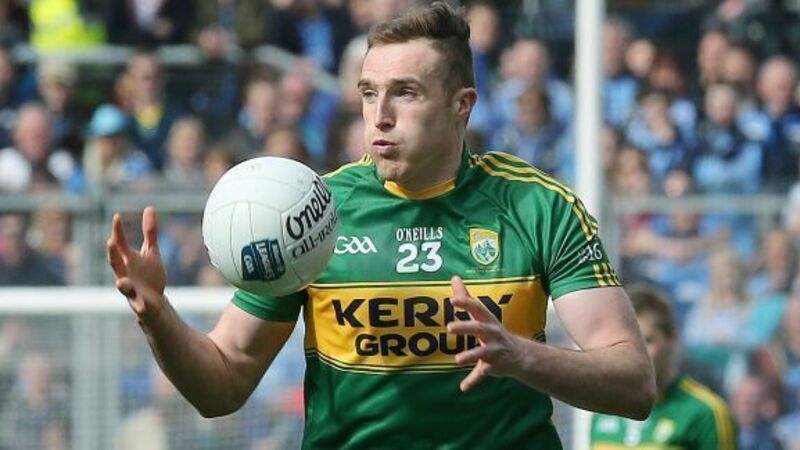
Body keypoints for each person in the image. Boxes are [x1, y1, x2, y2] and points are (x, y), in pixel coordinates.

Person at [107, 3, 655, 448]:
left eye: (405, 92)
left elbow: (634, 383)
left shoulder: (539, 206)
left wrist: (522, 357)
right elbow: (223, 383)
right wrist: (157, 313)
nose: (380, 115)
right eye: (369, 92)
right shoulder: (312, 212)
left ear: (462, 105)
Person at [590, 284, 736, 450]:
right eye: (626, 343)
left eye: (647, 341)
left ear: (671, 339)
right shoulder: (603, 411)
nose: (636, 353)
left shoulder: (706, 413)